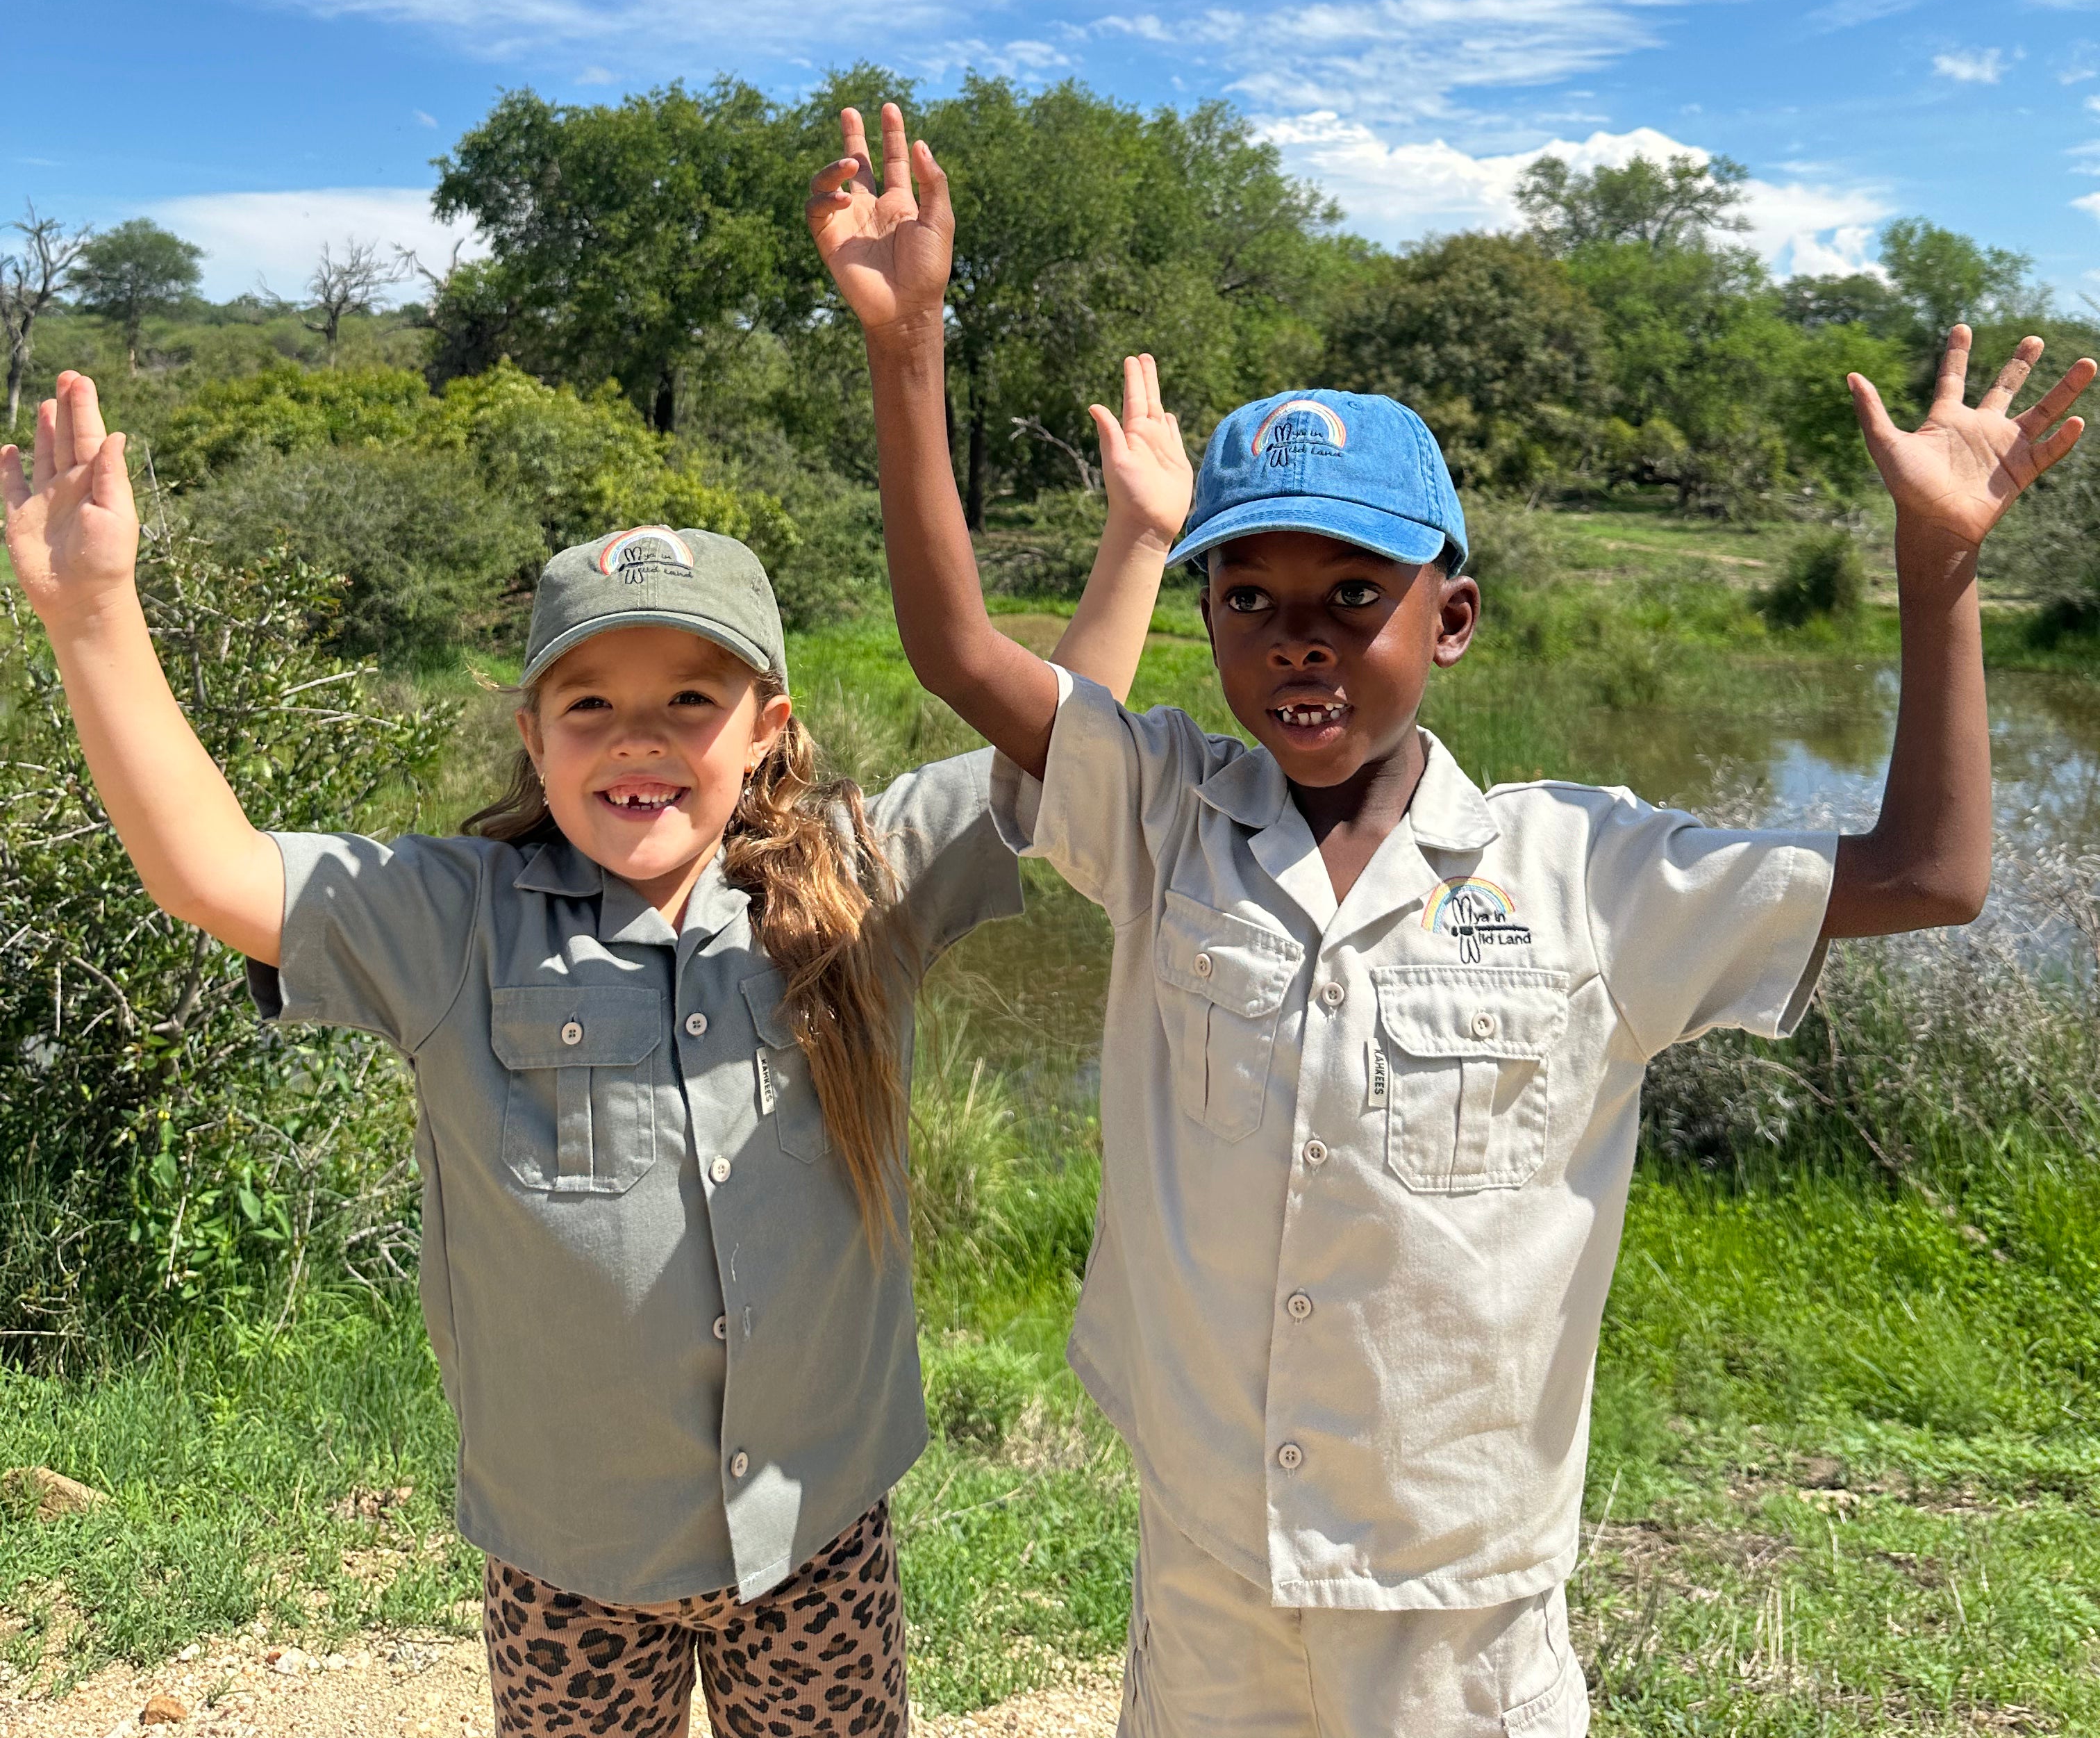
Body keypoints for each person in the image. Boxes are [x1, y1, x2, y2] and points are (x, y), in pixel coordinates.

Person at [809, 100, 2095, 1738]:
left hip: (1461, 1611)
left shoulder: (1588, 877)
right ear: (1205, 616)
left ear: (1456, 618)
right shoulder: (1161, 820)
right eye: (1250, 600)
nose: (1301, 644)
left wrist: (1939, 574)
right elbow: (957, 651)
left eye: (1357, 598)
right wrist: (909, 344)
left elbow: (1934, 872)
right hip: (1208, 1563)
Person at [1, 361, 1192, 1738]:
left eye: (693, 700)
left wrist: (1141, 539)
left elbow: (1060, 753)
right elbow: (209, 869)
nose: (640, 739)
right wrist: (92, 614)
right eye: (590, 705)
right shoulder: (451, 920)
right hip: (570, 1554)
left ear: (768, 731)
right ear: (533, 734)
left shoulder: (864, 874)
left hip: (813, 1534)